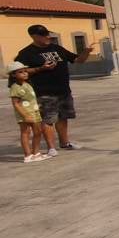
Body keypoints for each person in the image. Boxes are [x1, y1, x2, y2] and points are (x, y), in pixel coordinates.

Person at [15, 24, 94, 155]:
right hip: (44, 91)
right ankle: (51, 147)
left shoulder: (57, 48)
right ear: (34, 36)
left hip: (63, 90)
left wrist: (86, 51)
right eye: (44, 35)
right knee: (48, 119)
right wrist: (41, 68)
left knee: (63, 117)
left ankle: (65, 143)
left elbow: (78, 60)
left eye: (48, 34)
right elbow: (19, 71)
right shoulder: (26, 53)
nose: (48, 37)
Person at [9, 62, 50, 163]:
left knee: (38, 132)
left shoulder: (27, 84)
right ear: (13, 75)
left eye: (25, 71)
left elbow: (30, 99)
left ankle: (36, 153)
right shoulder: (15, 87)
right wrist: (25, 115)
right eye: (20, 72)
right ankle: (28, 155)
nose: (24, 73)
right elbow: (16, 103)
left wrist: (37, 107)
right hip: (25, 114)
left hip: (34, 112)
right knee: (25, 133)